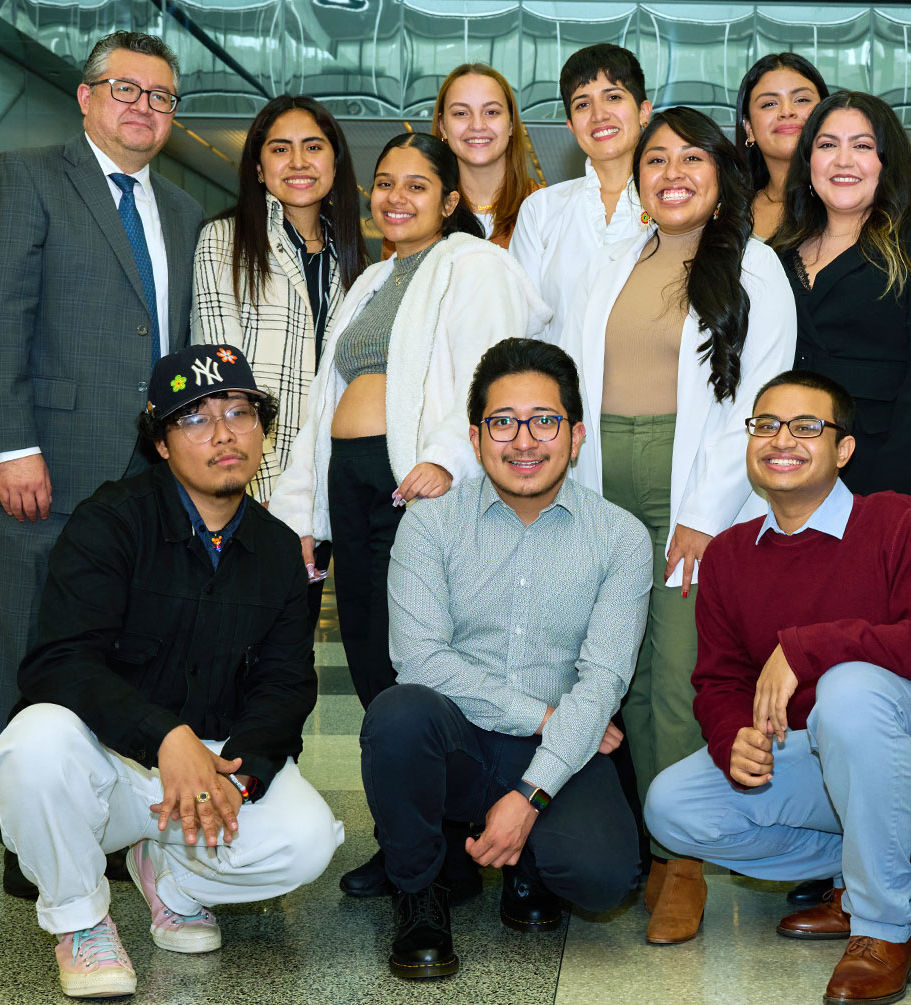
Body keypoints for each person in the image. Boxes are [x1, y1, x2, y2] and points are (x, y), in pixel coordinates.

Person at [0, 344, 343, 1000]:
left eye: (240, 411)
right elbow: (57, 661)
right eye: (196, 419)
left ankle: (174, 880)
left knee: (307, 839)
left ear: (263, 429)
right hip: (110, 765)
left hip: (211, 770)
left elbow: (287, 682)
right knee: (33, 746)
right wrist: (164, 736)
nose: (225, 432)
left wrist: (246, 771)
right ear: (161, 443)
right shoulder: (111, 522)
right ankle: (81, 919)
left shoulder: (278, 554)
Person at [0, 29, 205, 898]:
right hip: (43, 469)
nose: (144, 107)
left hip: (142, 477)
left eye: (161, 96)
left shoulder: (178, 211)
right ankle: (27, 836)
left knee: (118, 645)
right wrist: (13, 445)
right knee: (26, 640)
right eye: (126, 89)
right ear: (86, 97)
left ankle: (98, 810)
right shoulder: (27, 178)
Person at [267, 131, 547, 894]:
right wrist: (301, 514)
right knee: (367, 658)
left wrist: (452, 459)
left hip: (420, 487)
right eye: (384, 184)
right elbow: (327, 399)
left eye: (417, 185)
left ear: (451, 199)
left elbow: (501, 377)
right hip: (351, 487)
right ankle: (408, 837)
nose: (395, 198)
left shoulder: (475, 265)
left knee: (420, 667)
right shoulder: (371, 281)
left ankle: (450, 847)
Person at [644, 370, 911, 1005]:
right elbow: (719, 681)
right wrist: (730, 737)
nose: (781, 440)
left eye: (806, 427)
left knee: (847, 689)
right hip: (819, 761)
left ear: (843, 449)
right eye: (765, 425)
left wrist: (808, 647)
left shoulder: (902, 522)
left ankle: (882, 927)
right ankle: (876, 872)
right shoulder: (731, 555)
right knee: (673, 806)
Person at [548, 106, 798, 945]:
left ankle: (680, 857)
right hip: (599, 474)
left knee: (673, 675)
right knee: (604, 664)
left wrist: (703, 512)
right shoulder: (611, 262)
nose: (672, 171)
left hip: (691, 483)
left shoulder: (754, 268)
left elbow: (760, 403)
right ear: (639, 179)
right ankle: (610, 837)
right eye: (656, 159)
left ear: (722, 174)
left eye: (692, 157)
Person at [366, 338, 651, 980]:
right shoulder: (430, 525)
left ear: (576, 436)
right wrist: (545, 714)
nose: (524, 441)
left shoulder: (621, 539)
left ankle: (529, 864)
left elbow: (603, 681)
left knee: (604, 877)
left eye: (544, 420)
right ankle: (420, 888)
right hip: (457, 736)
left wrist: (530, 793)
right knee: (399, 713)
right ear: (475, 436)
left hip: (556, 748)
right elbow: (420, 663)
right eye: (503, 422)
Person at [772, 90, 911, 556]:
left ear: (888, 161)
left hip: (900, 483)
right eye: (827, 145)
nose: (844, 160)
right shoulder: (777, 251)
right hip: (799, 476)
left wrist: (879, 505)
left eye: (862, 146)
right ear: (808, 161)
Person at [191, 94, 369, 500]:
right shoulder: (223, 241)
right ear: (258, 168)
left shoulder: (353, 260)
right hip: (253, 483)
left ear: (334, 163)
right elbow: (224, 386)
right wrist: (270, 490)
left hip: (328, 484)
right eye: (280, 149)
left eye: (313, 146)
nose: (299, 162)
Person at [509, 43, 652, 326]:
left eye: (613, 97)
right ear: (572, 126)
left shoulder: (676, 204)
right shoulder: (541, 210)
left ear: (643, 111)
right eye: (583, 104)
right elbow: (521, 323)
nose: (599, 115)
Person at [431, 62, 544, 248]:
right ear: (443, 127)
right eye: (461, 113)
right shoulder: (418, 210)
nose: (477, 125)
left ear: (511, 124)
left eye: (491, 112)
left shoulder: (547, 208)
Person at [734, 52, 828, 240]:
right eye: (769, 104)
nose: (787, 112)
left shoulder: (846, 200)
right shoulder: (731, 211)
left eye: (801, 100)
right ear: (749, 127)